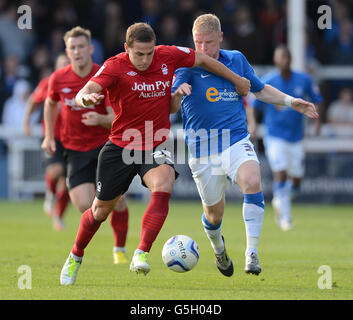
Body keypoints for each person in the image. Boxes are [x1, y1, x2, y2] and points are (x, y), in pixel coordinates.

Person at [58, 21, 251, 285]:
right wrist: (85, 99)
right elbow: (87, 90)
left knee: (164, 182)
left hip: (155, 144)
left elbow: (205, 60)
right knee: (100, 212)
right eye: (139, 54)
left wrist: (237, 79)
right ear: (127, 48)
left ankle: (141, 253)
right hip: (121, 146)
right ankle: (75, 256)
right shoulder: (115, 65)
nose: (146, 59)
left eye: (150, 53)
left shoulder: (168, 55)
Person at [171, 14, 318, 277]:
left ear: (221, 38)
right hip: (203, 151)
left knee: (252, 179)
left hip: (236, 139)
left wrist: (291, 101)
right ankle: (219, 249)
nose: (202, 49)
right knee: (214, 215)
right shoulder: (186, 65)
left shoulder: (236, 59)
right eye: (198, 43)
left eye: (208, 43)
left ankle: (252, 253)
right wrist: (177, 93)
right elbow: (171, 103)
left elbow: (260, 90)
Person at [41, 27, 129, 265]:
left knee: (117, 200)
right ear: (67, 51)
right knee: (84, 205)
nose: (77, 51)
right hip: (74, 151)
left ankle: (119, 249)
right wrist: (49, 136)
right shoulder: (58, 79)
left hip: (105, 148)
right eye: (72, 47)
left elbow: (117, 116)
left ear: (90, 49)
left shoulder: (104, 75)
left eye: (81, 47)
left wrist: (101, 120)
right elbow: (49, 104)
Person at [251, 45, 323, 231]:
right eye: (280, 58)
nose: (284, 61)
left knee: (297, 179)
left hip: (296, 137)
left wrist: (317, 122)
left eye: (287, 57)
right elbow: (252, 104)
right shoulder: (268, 81)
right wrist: (252, 124)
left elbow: (317, 99)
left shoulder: (304, 79)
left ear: (291, 59)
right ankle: (286, 218)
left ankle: (281, 199)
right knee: (281, 172)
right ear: (276, 61)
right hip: (274, 135)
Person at [23, 54, 71, 231]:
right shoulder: (48, 83)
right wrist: (26, 121)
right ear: (57, 66)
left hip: (73, 139)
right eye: (62, 64)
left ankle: (58, 216)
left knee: (67, 182)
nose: (65, 67)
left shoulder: (78, 84)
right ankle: (50, 195)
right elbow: (33, 101)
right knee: (55, 170)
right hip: (52, 137)